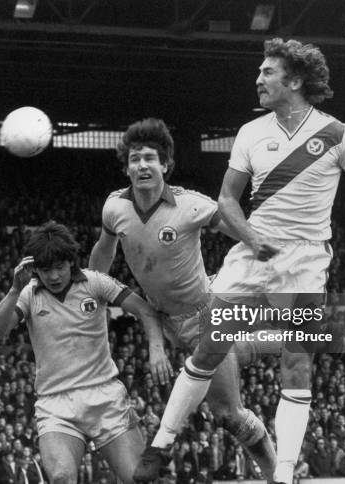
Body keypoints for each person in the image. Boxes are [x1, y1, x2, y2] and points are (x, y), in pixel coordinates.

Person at [135, 38, 345, 484]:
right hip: (250, 254)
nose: (258, 79)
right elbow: (226, 200)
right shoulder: (251, 133)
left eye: (268, 72)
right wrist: (251, 237)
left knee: (296, 361)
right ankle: (161, 443)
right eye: (260, 72)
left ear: (295, 81)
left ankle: (283, 473)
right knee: (210, 347)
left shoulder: (339, 135)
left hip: (304, 262)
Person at [89, 118, 279, 480]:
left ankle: (276, 473)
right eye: (134, 159)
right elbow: (103, 253)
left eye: (149, 158)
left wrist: (264, 247)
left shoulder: (190, 206)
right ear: (126, 167)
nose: (141, 165)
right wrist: (92, 291)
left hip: (204, 319)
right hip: (160, 318)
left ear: (165, 165)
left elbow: (236, 228)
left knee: (226, 414)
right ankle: (250, 347)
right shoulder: (114, 208)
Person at [0, 221, 165, 484]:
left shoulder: (96, 283)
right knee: (61, 478)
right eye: (46, 270)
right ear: (35, 270)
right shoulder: (28, 294)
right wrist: (14, 290)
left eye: (60, 267)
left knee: (139, 478)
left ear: (71, 261)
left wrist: (156, 349)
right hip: (56, 403)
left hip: (105, 398)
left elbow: (145, 310)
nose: (54, 276)